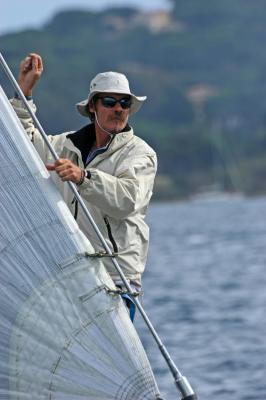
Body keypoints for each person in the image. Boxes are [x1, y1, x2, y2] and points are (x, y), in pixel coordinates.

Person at [11, 53, 157, 320]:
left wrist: (83, 177)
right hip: (71, 273)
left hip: (117, 277)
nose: (118, 108)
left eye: (125, 102)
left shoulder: (139, 154)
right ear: (93, 107)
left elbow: (128, 200)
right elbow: (23, 142)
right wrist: (25, 91)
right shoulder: (64, 145)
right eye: (110, 101)